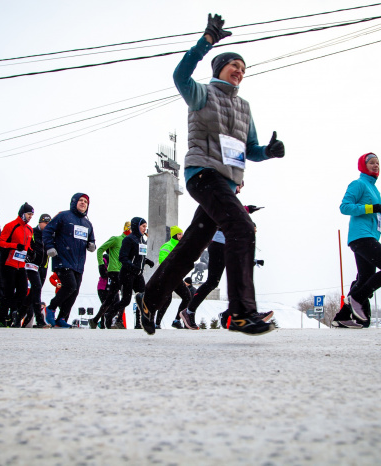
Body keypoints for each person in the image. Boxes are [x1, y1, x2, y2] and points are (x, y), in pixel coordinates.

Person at [136, 14, 284, 336]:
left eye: (243, 69)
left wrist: (268, 152)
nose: (240, 71)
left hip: (225, 184)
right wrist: (206, 42)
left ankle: (149, 299)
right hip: (203, 175)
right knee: (242, 228)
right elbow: (180, 76)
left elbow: (251, 148)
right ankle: (241, 312)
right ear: (219, 68)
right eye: (234, 65)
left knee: (191, 247)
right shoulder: (202, 94)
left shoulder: (244, 107)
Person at [332, 153, 381, 329]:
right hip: (361, 236)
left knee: (365, 278)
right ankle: (356, 299)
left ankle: (342, 317)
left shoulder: (375, 190)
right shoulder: (358, 184)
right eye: (371, 162)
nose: (375, 165)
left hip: (369, 236)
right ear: (363, 166)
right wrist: (370, 207)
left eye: (377, 163)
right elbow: (344, 207)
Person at [43, 193, 96, 328]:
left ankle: (62, 318)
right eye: (80, 200)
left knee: (75, 290)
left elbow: (91, 240)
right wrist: (49, 247)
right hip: (63, 259)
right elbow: (47, 230)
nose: (83, 203)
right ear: (74, 202)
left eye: (86, 202)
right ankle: (51, 308)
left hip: (79, 263)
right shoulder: (64, 216)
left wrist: (92, 245)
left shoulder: (87, 223)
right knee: (70, 286)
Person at [0, 202, 34, 328]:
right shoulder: (11, 225)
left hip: (21, 265)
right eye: (28, 214)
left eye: (32, 215)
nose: (30, 217)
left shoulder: (29, 229)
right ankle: (1, 318)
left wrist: (31, 252)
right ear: (22, 213)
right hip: (9, 263)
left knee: (23, 291)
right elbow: (0, 243)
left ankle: (10, 312)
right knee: (9, 292)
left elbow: (27, 246)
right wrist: (14, 246)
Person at [111, 217, 153, 329]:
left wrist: (147, 261)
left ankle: (140, 323)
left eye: (146, 226)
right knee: (126, 301)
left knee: (143, 298)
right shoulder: (129, 239)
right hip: (127, 274)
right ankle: (109, 314)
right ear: (136, 226)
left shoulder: (142, 240)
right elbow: (123, 258)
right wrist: (133, 267)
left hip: (138, 274)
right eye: (143, 226)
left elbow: (139, 256)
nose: (145, 228)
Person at [91, 221, 130, 329]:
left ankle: (96, 320)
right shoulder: (116, 239)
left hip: (125, 272)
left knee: (113, 299)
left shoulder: (132, 242)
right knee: (124, 297)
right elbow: (100, 250)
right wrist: (101, 265)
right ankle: (116, 319)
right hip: (115, 271)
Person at [155, 226, 192, 329]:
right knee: (167, 300)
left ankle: (177, 320)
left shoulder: (182, 246)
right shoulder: (167, 246)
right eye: (179, 234)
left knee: (187, 297)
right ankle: (157, 323)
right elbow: (162, 260)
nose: (181, 236)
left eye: (182, 234)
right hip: (168, 277)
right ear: (174, 235)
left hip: (177, 277)